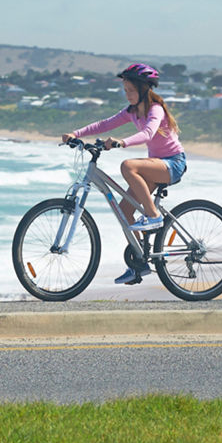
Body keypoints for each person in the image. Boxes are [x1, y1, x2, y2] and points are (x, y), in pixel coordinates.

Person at [61, 63, 187, 285]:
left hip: (173, 164)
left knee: (128, 166)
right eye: (125, 90)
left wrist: (122, 142)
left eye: (130, 90)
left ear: (143, 89)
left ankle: (154, 216)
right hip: (156, 165)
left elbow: (148, 134)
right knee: (125, 211)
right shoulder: (131, 112)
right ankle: (139, 264)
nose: (127, 94)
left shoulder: (155, 109)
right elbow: (105, 124)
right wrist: (76, 133)